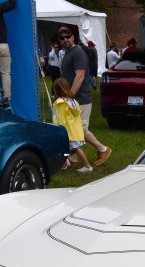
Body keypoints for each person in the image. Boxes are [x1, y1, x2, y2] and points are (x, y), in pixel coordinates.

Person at [58, 27, 112, 166]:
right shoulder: (68, 53)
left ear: (73, 37)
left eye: (67, 36)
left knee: (80, 130)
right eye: (62, 38)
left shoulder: (78, 53)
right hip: (74, 98)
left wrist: (69, 97)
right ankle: (73, 157)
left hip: (80, 98)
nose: (65, 39)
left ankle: (103, 149)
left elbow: (80, 76)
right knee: (74, 129)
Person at [52, 77, 94, 173]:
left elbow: (59, 118)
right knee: (68, 148)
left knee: (75, 149)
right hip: (74, 130)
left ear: (56, 89)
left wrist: (57, 129)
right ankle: (66, 162)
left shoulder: (60, 103)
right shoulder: (73, 101)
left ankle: (88, 166)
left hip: (67, 132)